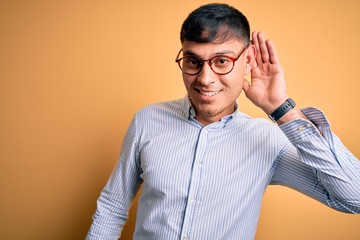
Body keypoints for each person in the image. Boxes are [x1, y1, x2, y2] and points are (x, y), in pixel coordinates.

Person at [86, 3, 360, 240]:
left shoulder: (267, 140)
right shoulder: (147, 120)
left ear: (249, 59)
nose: (205, 79)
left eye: (221, 61)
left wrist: (282, 109)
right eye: (193, 61)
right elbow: (113, 206)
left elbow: (354, 198)